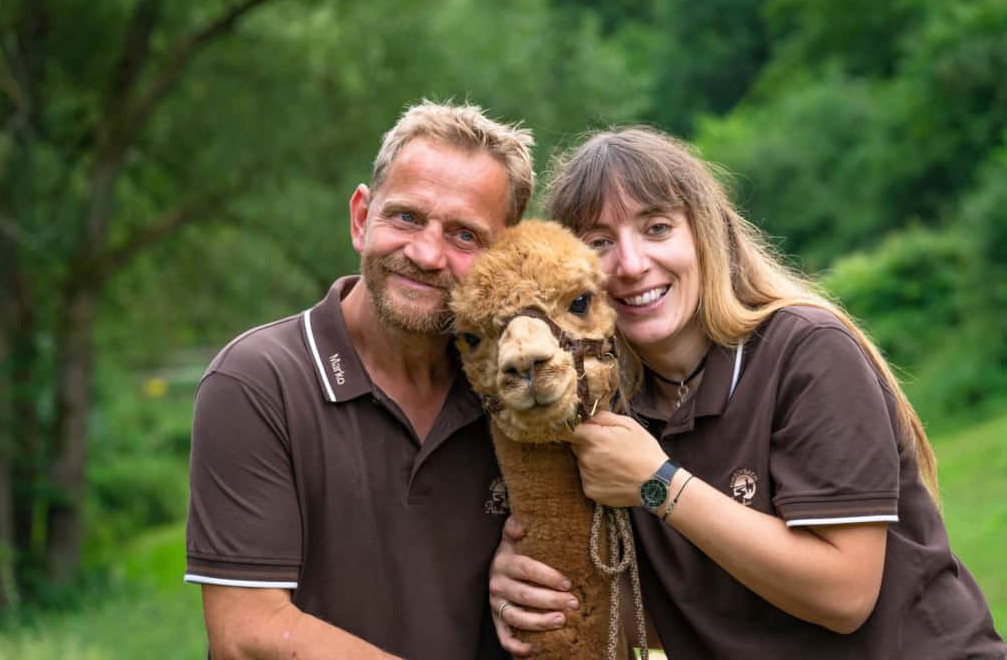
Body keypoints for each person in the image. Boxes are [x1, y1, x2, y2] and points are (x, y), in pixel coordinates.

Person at [489, 127, 1006, 659]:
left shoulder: (806, 351)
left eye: (658, 228)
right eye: (598, 243)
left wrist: (657, 485)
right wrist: (528, 588)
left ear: (706, 235)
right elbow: (668, 617)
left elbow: (845, 593)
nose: (632, 263)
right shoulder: (604, 412)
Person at [184, 100, 534, 660]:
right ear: (360, 218)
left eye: (464, 236)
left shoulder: (518, 394)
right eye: (407, 218)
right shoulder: (259, 380)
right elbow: (246, 634)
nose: (425, 253)